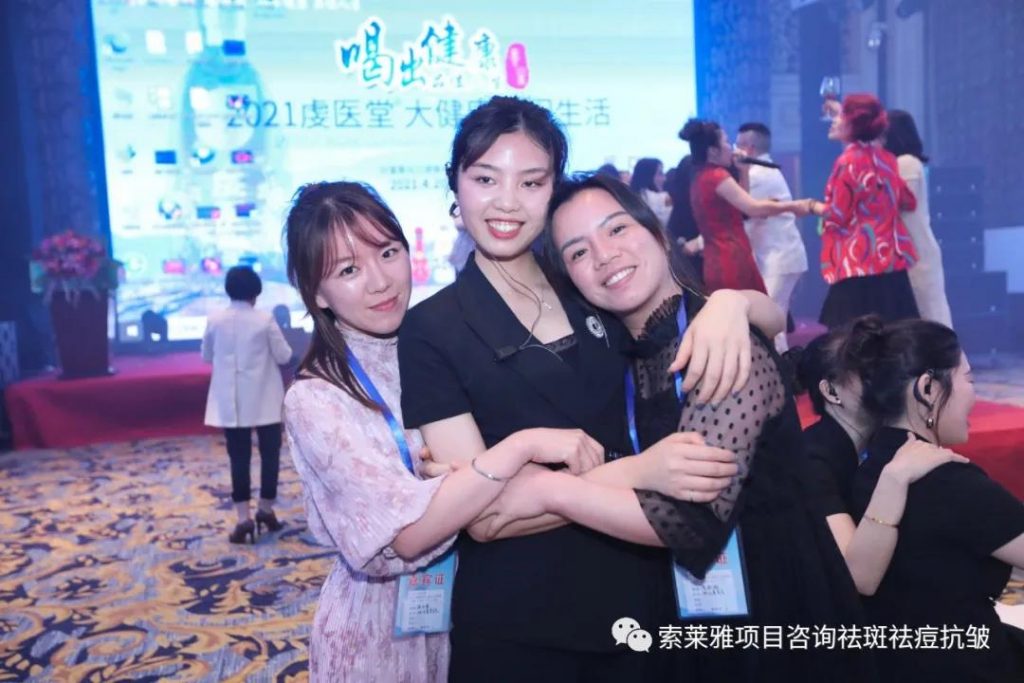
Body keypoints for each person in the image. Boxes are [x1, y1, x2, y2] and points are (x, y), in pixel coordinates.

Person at [398, 96, 784, 682]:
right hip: (522, 623)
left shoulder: (587, 280)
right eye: (485, 179)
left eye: (531, 182)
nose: (507, 202)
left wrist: (734, 303)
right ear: (455, 183)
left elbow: (702, 323)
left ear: (553, 188)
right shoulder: (432, 328)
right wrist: (638, 469)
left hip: (646, 598)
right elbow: (484, 515)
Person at [537, 173, 875, 681]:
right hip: (685, 616)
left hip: (773, 615)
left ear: (657, 232)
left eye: (617, 229)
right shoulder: (623, 356)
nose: (604, 256)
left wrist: (551, 492)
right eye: (579, 252)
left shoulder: (721, 343)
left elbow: (688, 518)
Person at [281, 181, 619, 682]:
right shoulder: (317, 398)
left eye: (388, 253)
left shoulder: (438, 339)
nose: (380, 282)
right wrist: (519, 447)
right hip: (381, 633)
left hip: (472, 607)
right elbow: (407, 535)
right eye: (348, 270)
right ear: (315, 292)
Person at [851, 318, 1024, 682]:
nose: (974, 394)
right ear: (928, 388)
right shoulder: (951, 481)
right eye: (969, 379)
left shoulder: (867, 465)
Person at [790, 318, 967, 595]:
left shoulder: (882, 442)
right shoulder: (812, 461)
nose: (887, 380)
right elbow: (858, 577)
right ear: (831, 391)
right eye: (869, 374)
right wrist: (894, 480)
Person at [809, 94, 920, 328]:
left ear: (853, 124)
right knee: (894, 336)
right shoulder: (887, 159)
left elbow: (837, 214)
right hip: (889, 262)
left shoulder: (847, 162)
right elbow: (908, 201)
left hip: (856, 262)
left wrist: (808, 206)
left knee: (851, 340)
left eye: (840, 116)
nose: (834, 120)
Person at [201, 265, 292, 543]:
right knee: (270, 455)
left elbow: (206, 356)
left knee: (238, 458)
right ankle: (265, 509)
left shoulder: (214, 319)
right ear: (256, 291)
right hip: (265, 397)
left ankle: (243, 519)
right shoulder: (264, 319)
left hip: (231, 400)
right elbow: (284, 355)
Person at [680, 118, 811, 294]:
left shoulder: (701, 176)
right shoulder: (717, 176)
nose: (732, 148)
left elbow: (742, 209)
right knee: (755, 308)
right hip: (732, 256)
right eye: (727, 142)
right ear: (713, 151)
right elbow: (752, 208)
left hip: (717, 258)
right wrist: (794, 206)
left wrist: (743, 171)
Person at [735, 122, 808, 351]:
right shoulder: (763, 171)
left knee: (771, 322)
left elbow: (745, 213)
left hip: (779, 256)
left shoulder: (757, 175)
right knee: (774, 320)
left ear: (748, 147)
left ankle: (781, 370)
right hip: (776, 255)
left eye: (737, 145)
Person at [883, 109, 953, 326]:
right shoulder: (898, 164)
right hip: (904, 256)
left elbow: (899, 202)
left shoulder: (906, 163)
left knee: (932, 321)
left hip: (917, 254)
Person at [630, 157, 672, 227]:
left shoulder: (628, 197)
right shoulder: (664, 198)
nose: (664, 179)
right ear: (647, 176)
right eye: (660, 173)